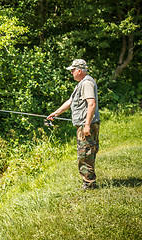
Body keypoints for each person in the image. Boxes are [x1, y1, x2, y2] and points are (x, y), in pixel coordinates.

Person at [47, 59, 100, 190]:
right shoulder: (81, 83)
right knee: (86, 152)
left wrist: (87, 125)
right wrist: (56, 113)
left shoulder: (87, 83)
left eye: (72, 70)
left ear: (79, 71)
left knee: (85, 154)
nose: (71, 73)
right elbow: (70, 101)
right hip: (84, 124)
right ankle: (89, 182)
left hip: (86, 124)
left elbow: (91, 104)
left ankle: (89, 184)